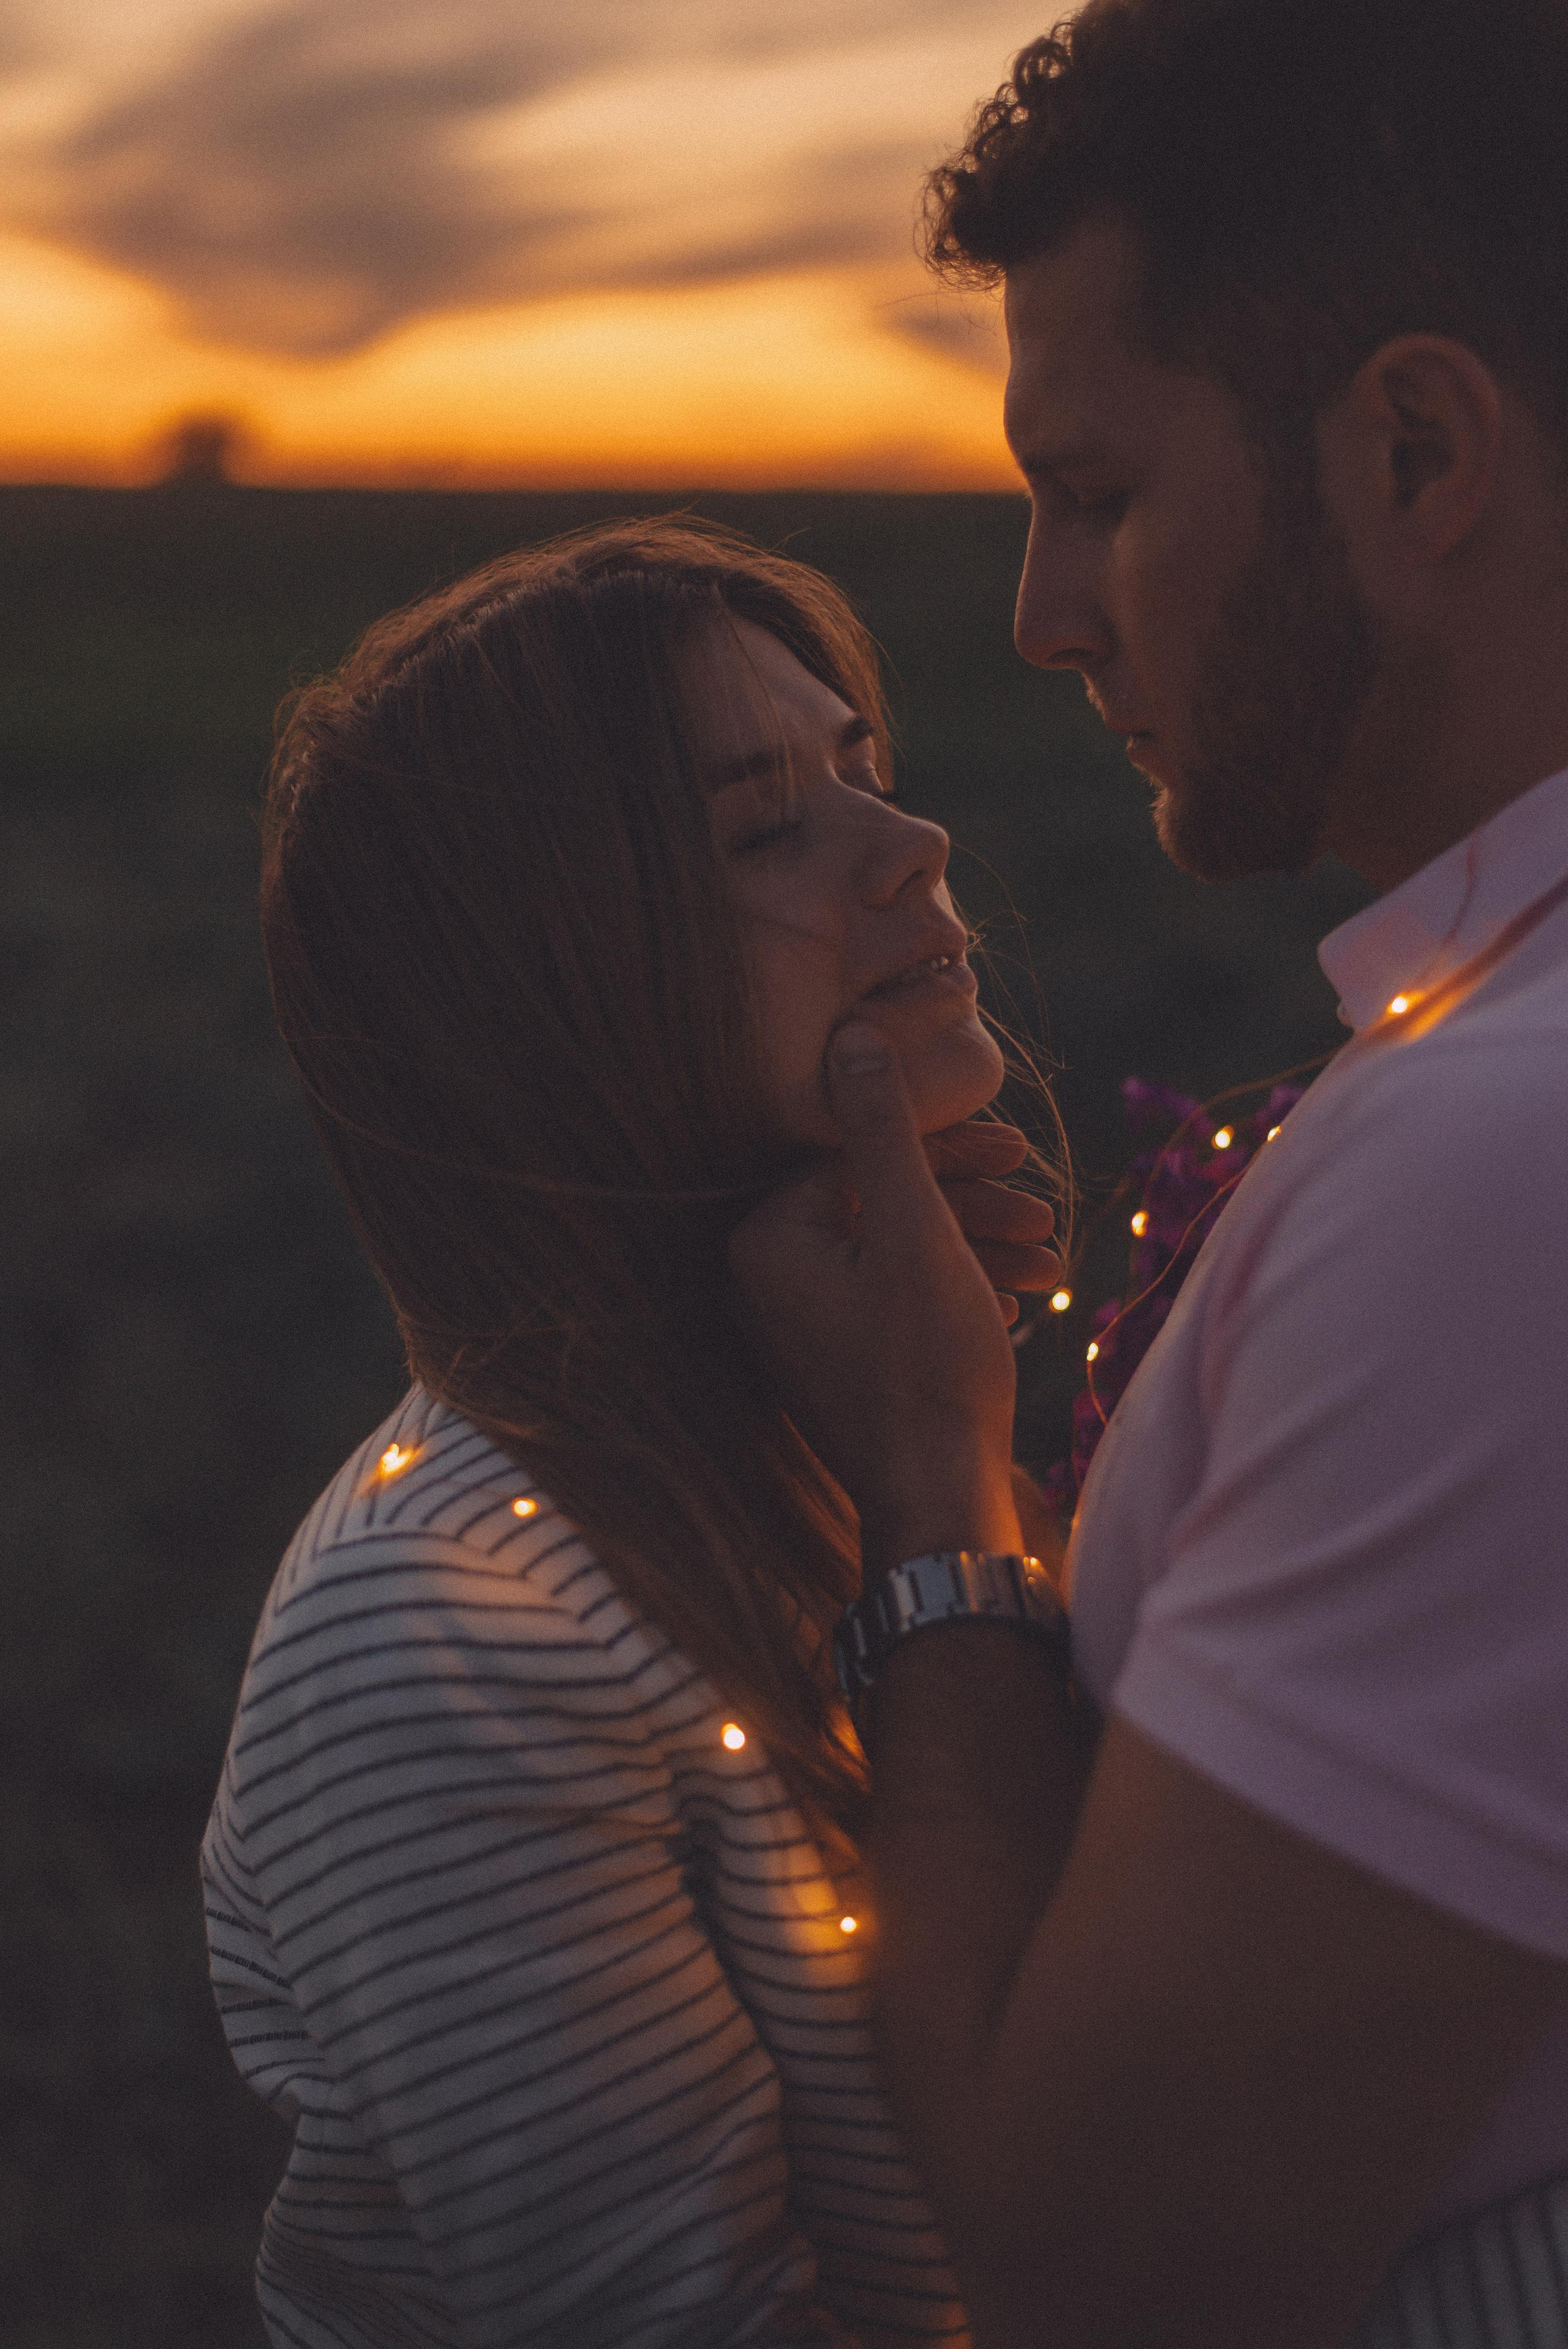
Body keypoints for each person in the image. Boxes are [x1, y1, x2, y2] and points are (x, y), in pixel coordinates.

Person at [727, 3, 1568, 2346]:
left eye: (1096, 492)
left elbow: (1109, 2279)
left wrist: (932, 1486)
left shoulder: (1501, 1166)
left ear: (1416, 452)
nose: (1041, 612)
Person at [201, 516, 1063, 2349]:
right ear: (546, 976)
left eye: (864, 771)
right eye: (767, 827)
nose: (911, 849)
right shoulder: (441, 1632)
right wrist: (936, 1504)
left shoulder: (826, 1423)